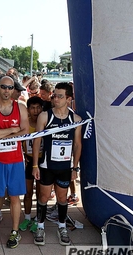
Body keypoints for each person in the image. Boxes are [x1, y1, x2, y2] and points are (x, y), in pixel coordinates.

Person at [0, 76, 29, 248]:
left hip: (16, 160)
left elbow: (24, 133)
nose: (7, 91)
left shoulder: (20, 108)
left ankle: (15, 231)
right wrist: (11, 130)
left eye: (10, 88)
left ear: (14, 89)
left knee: (15, 197)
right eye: (3, 87)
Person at [32, 82, 82, 246]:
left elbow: (77, 144)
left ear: (68, 98)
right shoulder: (45, 116)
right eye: (54, 95)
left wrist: (75, 167)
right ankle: (40, 226)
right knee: (44, 197)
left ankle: (62, 226)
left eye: (60, 96)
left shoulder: (75, 119)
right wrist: (34, 166)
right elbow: (37, 141)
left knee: (62, 197)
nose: (55, 98)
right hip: (47, 165)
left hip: (64, 167)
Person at [18, 96, 44, 233]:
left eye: (38, 107)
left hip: (42, 162)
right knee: (28, 193)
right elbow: (19, 142)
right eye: (33, 108)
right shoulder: (25, 124)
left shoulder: (46, 123)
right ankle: (27, 217)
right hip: (28, 161)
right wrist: (24, 155)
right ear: (28, 110)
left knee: (41, 194)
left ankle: (38, 219)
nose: (36, 110)